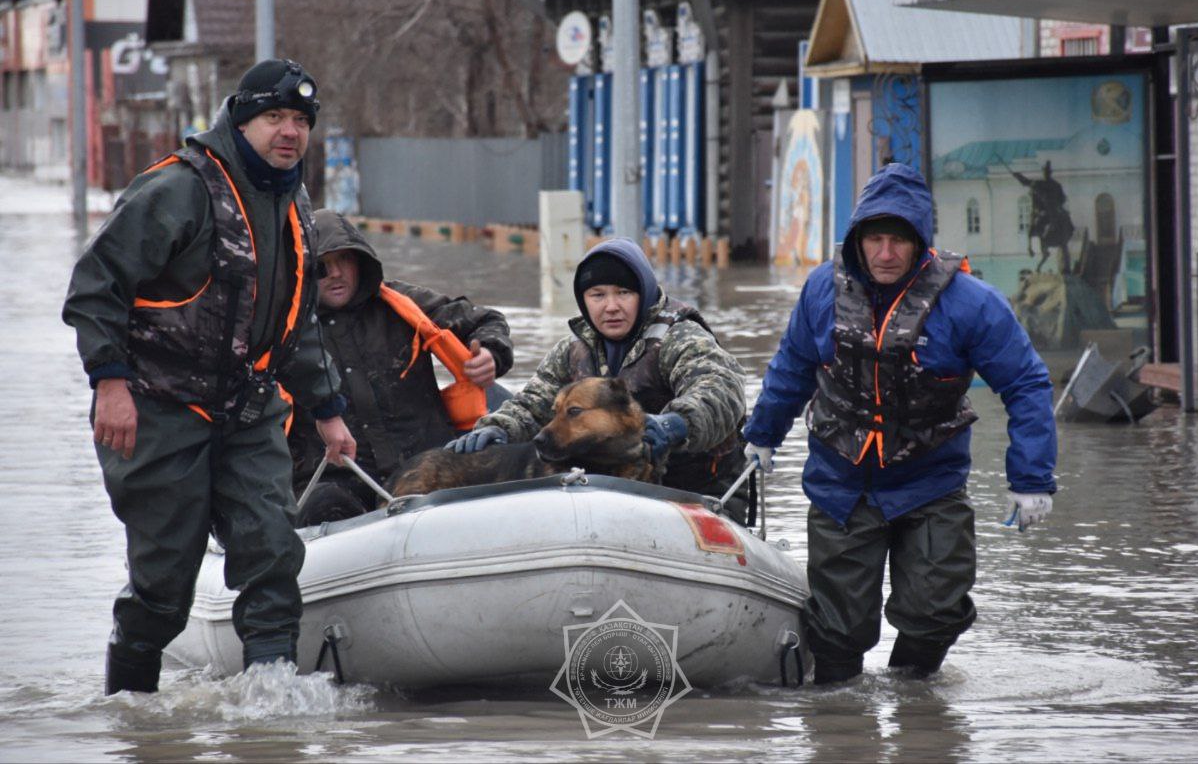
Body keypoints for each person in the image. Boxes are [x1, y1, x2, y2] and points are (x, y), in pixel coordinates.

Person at [63, 58, 357, 695]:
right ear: (242, 120)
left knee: (274, 556)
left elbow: (297, 321)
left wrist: (328, 410)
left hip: (249, 411)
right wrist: (109, 385)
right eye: (274, 117)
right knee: (165, 585)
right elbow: (95, 287)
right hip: (160, 408)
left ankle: (271, 714)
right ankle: (130, 709)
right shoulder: (177, 189)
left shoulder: (294, 200)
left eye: (301, 120)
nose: (290, 132)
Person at [742, 163, 1057, 682]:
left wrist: (1031, 480)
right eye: (876, 240)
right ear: (858, 241)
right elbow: (792, 365)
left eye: (899, 242)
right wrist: (761, 435)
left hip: (929, 481)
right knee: (838, 629)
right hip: (841, 482)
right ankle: (842, 726)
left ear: (921, 244)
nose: (886, 254)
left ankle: (915, 707)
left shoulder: (970, 304)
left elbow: (1025, 383)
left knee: (937, 612)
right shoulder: (822, 289)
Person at [448, 237, 752, 520]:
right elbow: (533, 405)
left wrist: (673, 424)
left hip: (697, 491)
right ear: (584, 300)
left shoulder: (681, 337)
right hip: (609, 489)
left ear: (643, 293)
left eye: (623, 293)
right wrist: (497, 429)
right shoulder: (573, 350)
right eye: (598, 295)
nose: (611, 306)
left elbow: (721, 389)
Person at [288, 209, 514, 525]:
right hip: (338, 480)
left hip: (426, 466)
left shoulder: (403, 303)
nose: (337, 273)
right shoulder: (282, 327)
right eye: (324, 266)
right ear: (305, 270)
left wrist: (491, 354)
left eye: (346, 260)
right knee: (322, 504)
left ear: (361, 262)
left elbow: (486, 319)